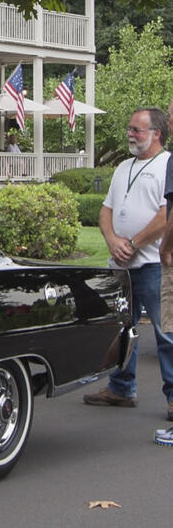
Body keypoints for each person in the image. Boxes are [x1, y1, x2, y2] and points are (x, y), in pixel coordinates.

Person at [87, 107, 173, 424]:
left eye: (137, 129)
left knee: (166, 333)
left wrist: (134, 243)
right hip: (121, 265)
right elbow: (106, 210)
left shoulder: (167, 164)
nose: (130, 134)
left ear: (156, 134)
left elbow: (167, 215)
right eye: (130, 128)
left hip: (152, 264)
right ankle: (121, 388)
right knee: (124, 328)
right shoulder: (124, 166)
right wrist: (112, 240)